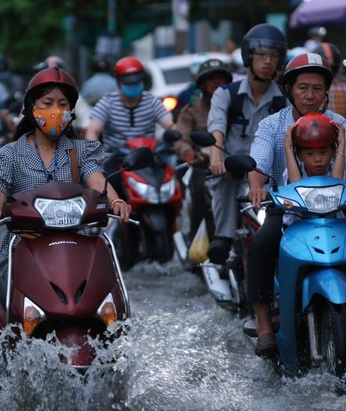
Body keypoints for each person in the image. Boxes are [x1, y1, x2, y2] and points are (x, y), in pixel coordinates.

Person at [246, 52, 346, 357]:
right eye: (303, 88)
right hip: (286, 207)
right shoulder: (273, 125)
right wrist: (256, 187)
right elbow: (258, 162)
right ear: (289, 90)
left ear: (326, 92)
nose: (310, 95)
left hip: (333, 207)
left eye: (318, 89)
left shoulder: (337, 123)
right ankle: (263, 327)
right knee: (261, 246)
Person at [0, 66, 131, 297]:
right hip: (24, 244)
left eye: (62, 104)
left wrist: (116, 200)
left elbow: (97, 179)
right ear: (32, 107)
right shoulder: (10, 153)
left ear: (71, 111)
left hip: (74, 242)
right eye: (47, 103)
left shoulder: (82, 150)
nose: (55, 110)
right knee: (5, 295)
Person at [205, 23, 288, 265]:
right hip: (232, 168)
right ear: (248, 56)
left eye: (274, 55)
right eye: (262, 54)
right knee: (220, 180)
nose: (268, 61)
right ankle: (224, 237)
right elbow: (217, 128)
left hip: (268, 171)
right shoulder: (226, 93)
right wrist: (216, 160)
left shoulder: (284, 98)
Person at [85, 56, 174, 196]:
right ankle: (113, 217)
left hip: (147, 157)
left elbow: (170, 124)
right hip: (117, 158)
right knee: (107, 185)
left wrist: (176, 135)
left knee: (174, 177)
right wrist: (94, 152)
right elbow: (93, 131)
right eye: (128, 80)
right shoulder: (108, 102)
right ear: (119, 82)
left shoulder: (152, 101)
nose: (132, 83)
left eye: (136, 79)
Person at [173, 58, 233, 241]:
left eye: (220, 79)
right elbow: (181, 137)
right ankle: (196, 238)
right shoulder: (191, 110)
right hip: (203, 165)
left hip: (234, 164)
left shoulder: (236, 106)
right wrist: (186, 152)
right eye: (211, 79)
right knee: (199, 189)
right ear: (202, 83)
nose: (216, 83)